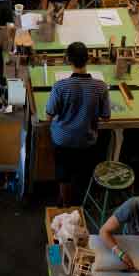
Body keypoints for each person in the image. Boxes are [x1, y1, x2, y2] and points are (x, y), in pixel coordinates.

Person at [46, 42, 110, 205]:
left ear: (68, 60)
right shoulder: (101, 87)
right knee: (83, 169)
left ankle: (65, 202)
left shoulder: (59, 87)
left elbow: (48, 115)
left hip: (63, 140)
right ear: (88, 59)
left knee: (64, 173)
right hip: (87, 140)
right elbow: (106, 117)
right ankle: (82, 196)